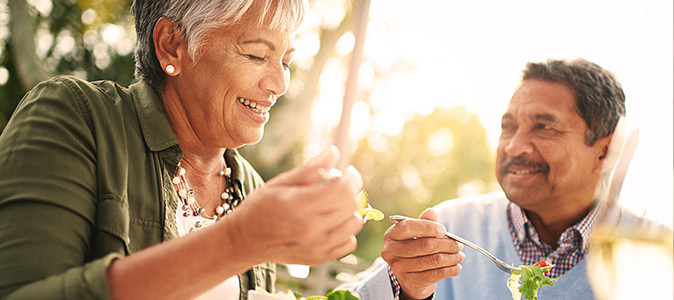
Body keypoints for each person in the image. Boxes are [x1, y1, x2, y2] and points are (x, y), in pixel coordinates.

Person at [0, 1, 365, 299]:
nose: (280, 83)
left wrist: (400, 287)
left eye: (285, 60)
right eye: (257, 55)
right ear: (171, 44)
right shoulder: (76, 118)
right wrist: (237, 242)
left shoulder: (251, 187)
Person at [340, 58, 667, 299]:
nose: (514, 146)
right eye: (508, 127)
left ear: (605, 149)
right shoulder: (448, 227)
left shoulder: (657, 253)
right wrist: (408, 290)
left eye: (544, 127)